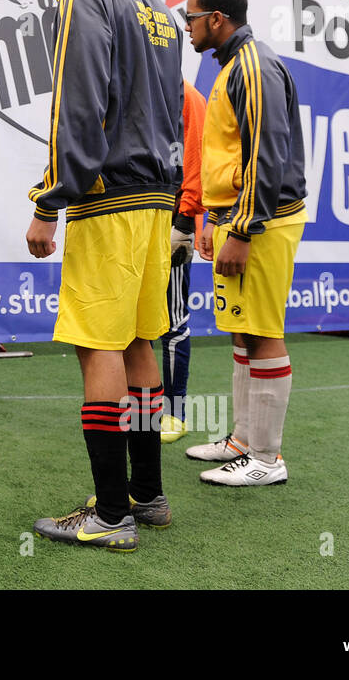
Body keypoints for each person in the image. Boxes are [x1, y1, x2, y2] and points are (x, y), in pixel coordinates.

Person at [23, 0, 183, 552]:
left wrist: (48, 200)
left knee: (98, 347)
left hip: (107, 196)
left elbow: (78, 101)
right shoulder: (156, 6)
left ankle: (110, 513)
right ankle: (146, 494)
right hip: (156, 197)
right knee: (141, 340)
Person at [182, 0, 306, 486]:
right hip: (238, 217)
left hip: (265, 220)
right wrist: (214, 219)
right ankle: (243, 441)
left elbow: (266, 155)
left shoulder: (253, 66)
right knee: (241, 326)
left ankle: (268, 460)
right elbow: (227, 157)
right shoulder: (231, 66)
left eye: (191, 17)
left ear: (216, 19)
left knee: (262, 329)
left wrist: (244, 230)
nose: (186, 27)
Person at [159, 80, 207, 443]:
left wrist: (186, 222)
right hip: (130, 215)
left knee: (173, 319)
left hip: (172, 220)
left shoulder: (186, 96)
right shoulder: (128, 83)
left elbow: (198, 161)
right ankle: (139, 407)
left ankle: (175, 412)